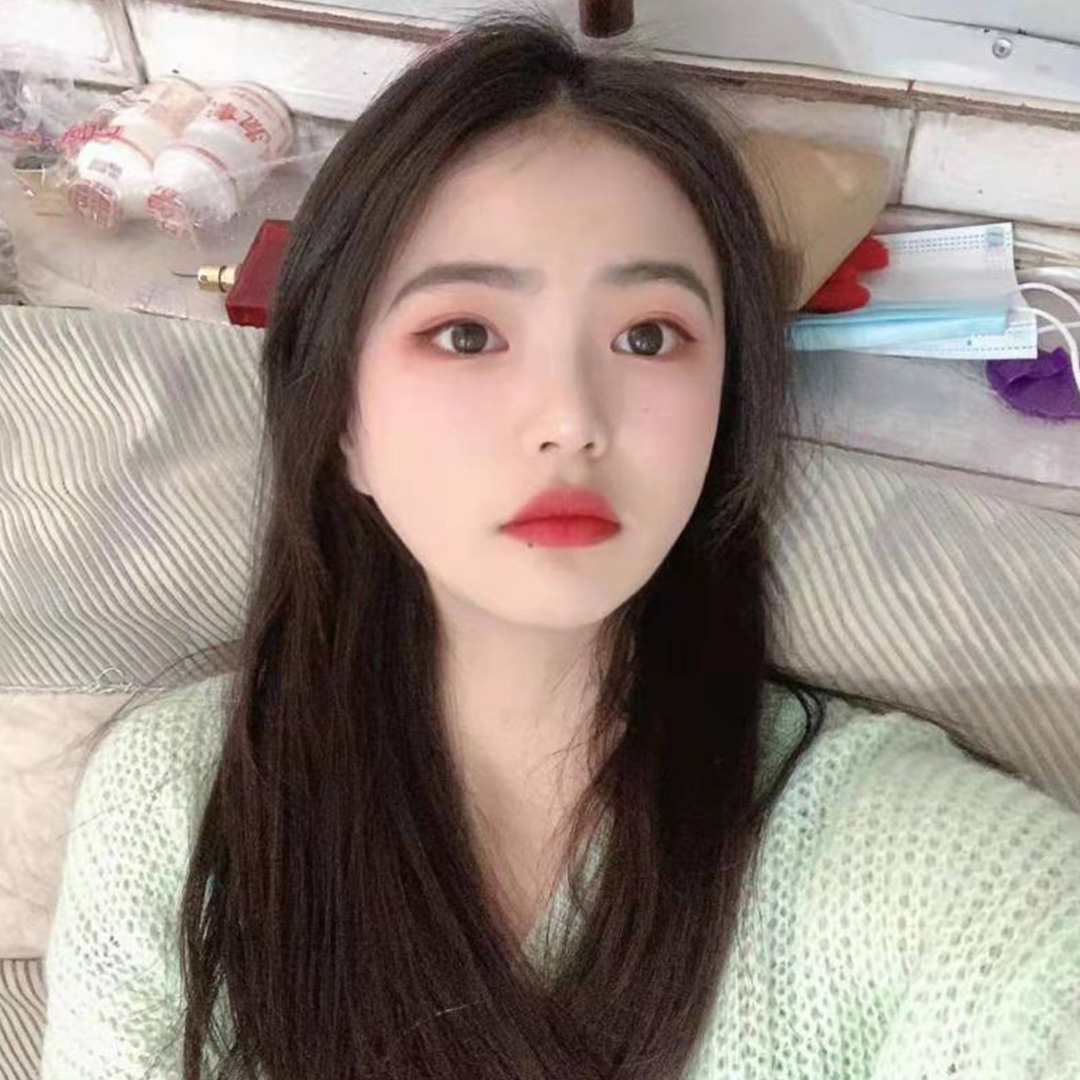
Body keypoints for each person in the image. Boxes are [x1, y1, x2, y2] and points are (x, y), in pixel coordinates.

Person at [39, 7, 1080, 1080]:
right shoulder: (177, 810)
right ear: (342, 420)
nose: (573, 417)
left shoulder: (926, 871)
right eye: (467, 334)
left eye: (648, 336)